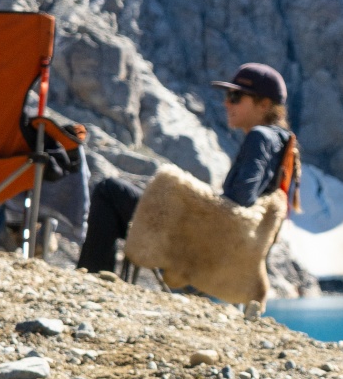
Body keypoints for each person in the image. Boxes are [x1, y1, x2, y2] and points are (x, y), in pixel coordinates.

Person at [76, 61, 300, 273]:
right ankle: (102, 276)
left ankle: (94, 276)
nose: (227, 103)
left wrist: (192, 197)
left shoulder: (260, 136)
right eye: (228, 96)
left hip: (202, 243)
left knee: (109, 190)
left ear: (264, 105)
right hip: (223, 246)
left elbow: (240, 200)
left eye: (235, 97)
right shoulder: (281, 142)